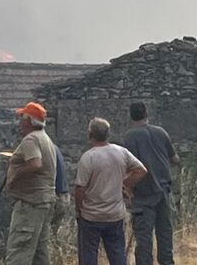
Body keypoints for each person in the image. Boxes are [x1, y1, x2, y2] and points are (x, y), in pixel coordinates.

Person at [74, 118, 148, 265]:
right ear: (108, 134)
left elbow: (80, 188)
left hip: (91, 216)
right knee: (117, 254)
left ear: (90, 134)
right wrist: (124, 184)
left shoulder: (88, 157)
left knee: (89, 255)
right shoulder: (121, 152)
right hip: (114, 214)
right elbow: (141, 170)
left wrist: (79, 209)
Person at [123, 102, 180, 265]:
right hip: (163, 191)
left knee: (144, 236)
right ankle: (167, 262)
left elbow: (130, 166)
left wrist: (127, 188)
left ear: (131, 116)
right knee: (164, 232)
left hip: (143, 193)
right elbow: (174, 159)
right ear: (146, 114)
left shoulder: (130, 137)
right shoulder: (161, 132)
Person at [3, 101, 58, 265]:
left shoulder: (31, 139)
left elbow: (35, 163)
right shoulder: (45, 139)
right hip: (44, 201)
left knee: (19, 250)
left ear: (29, 121)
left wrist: (14, 177)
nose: (20, 122)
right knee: (39, 253)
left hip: (30, 203)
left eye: (22, 118)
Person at [50, 143, 70, 234]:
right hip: (63, 196)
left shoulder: (46, 149)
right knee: (52, 233)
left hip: (55, 197)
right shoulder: (53, 147)